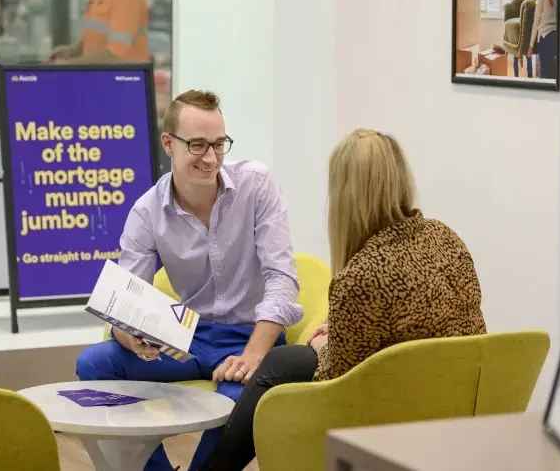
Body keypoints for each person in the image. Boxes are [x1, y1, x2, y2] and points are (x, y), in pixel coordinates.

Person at [201, 129, 487, 470]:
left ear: (346, 194)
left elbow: (339, 385)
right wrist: (338, 333)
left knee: (279, 364)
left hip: (399, 405)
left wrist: (324, 347)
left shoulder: (363, 274)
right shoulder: (444, 236)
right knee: (285, 361)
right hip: (459, 396)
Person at [76, 90, 302, 471]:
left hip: (249, 337)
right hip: (187, 337)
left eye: (219, 144)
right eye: (197, 145)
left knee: (235, 406)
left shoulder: (256, 185)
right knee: (94, 365)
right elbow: (126, 300)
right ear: (169, 143)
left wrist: (254, 354)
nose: (211, 158)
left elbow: (281, 278)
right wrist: (128, 334)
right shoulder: (147, 212)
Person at [528, 0, 559, 80]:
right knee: (554, 76)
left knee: (545, 77)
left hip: (545, 39)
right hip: (556, 36)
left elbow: (537, 20)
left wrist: (530, 45)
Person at [509, 0, 532, 78]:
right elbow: (513, 6)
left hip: (526, 18)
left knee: (528, 51)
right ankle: (516, 77)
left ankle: (530, 78)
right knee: (516, 53)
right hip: (518, 20)